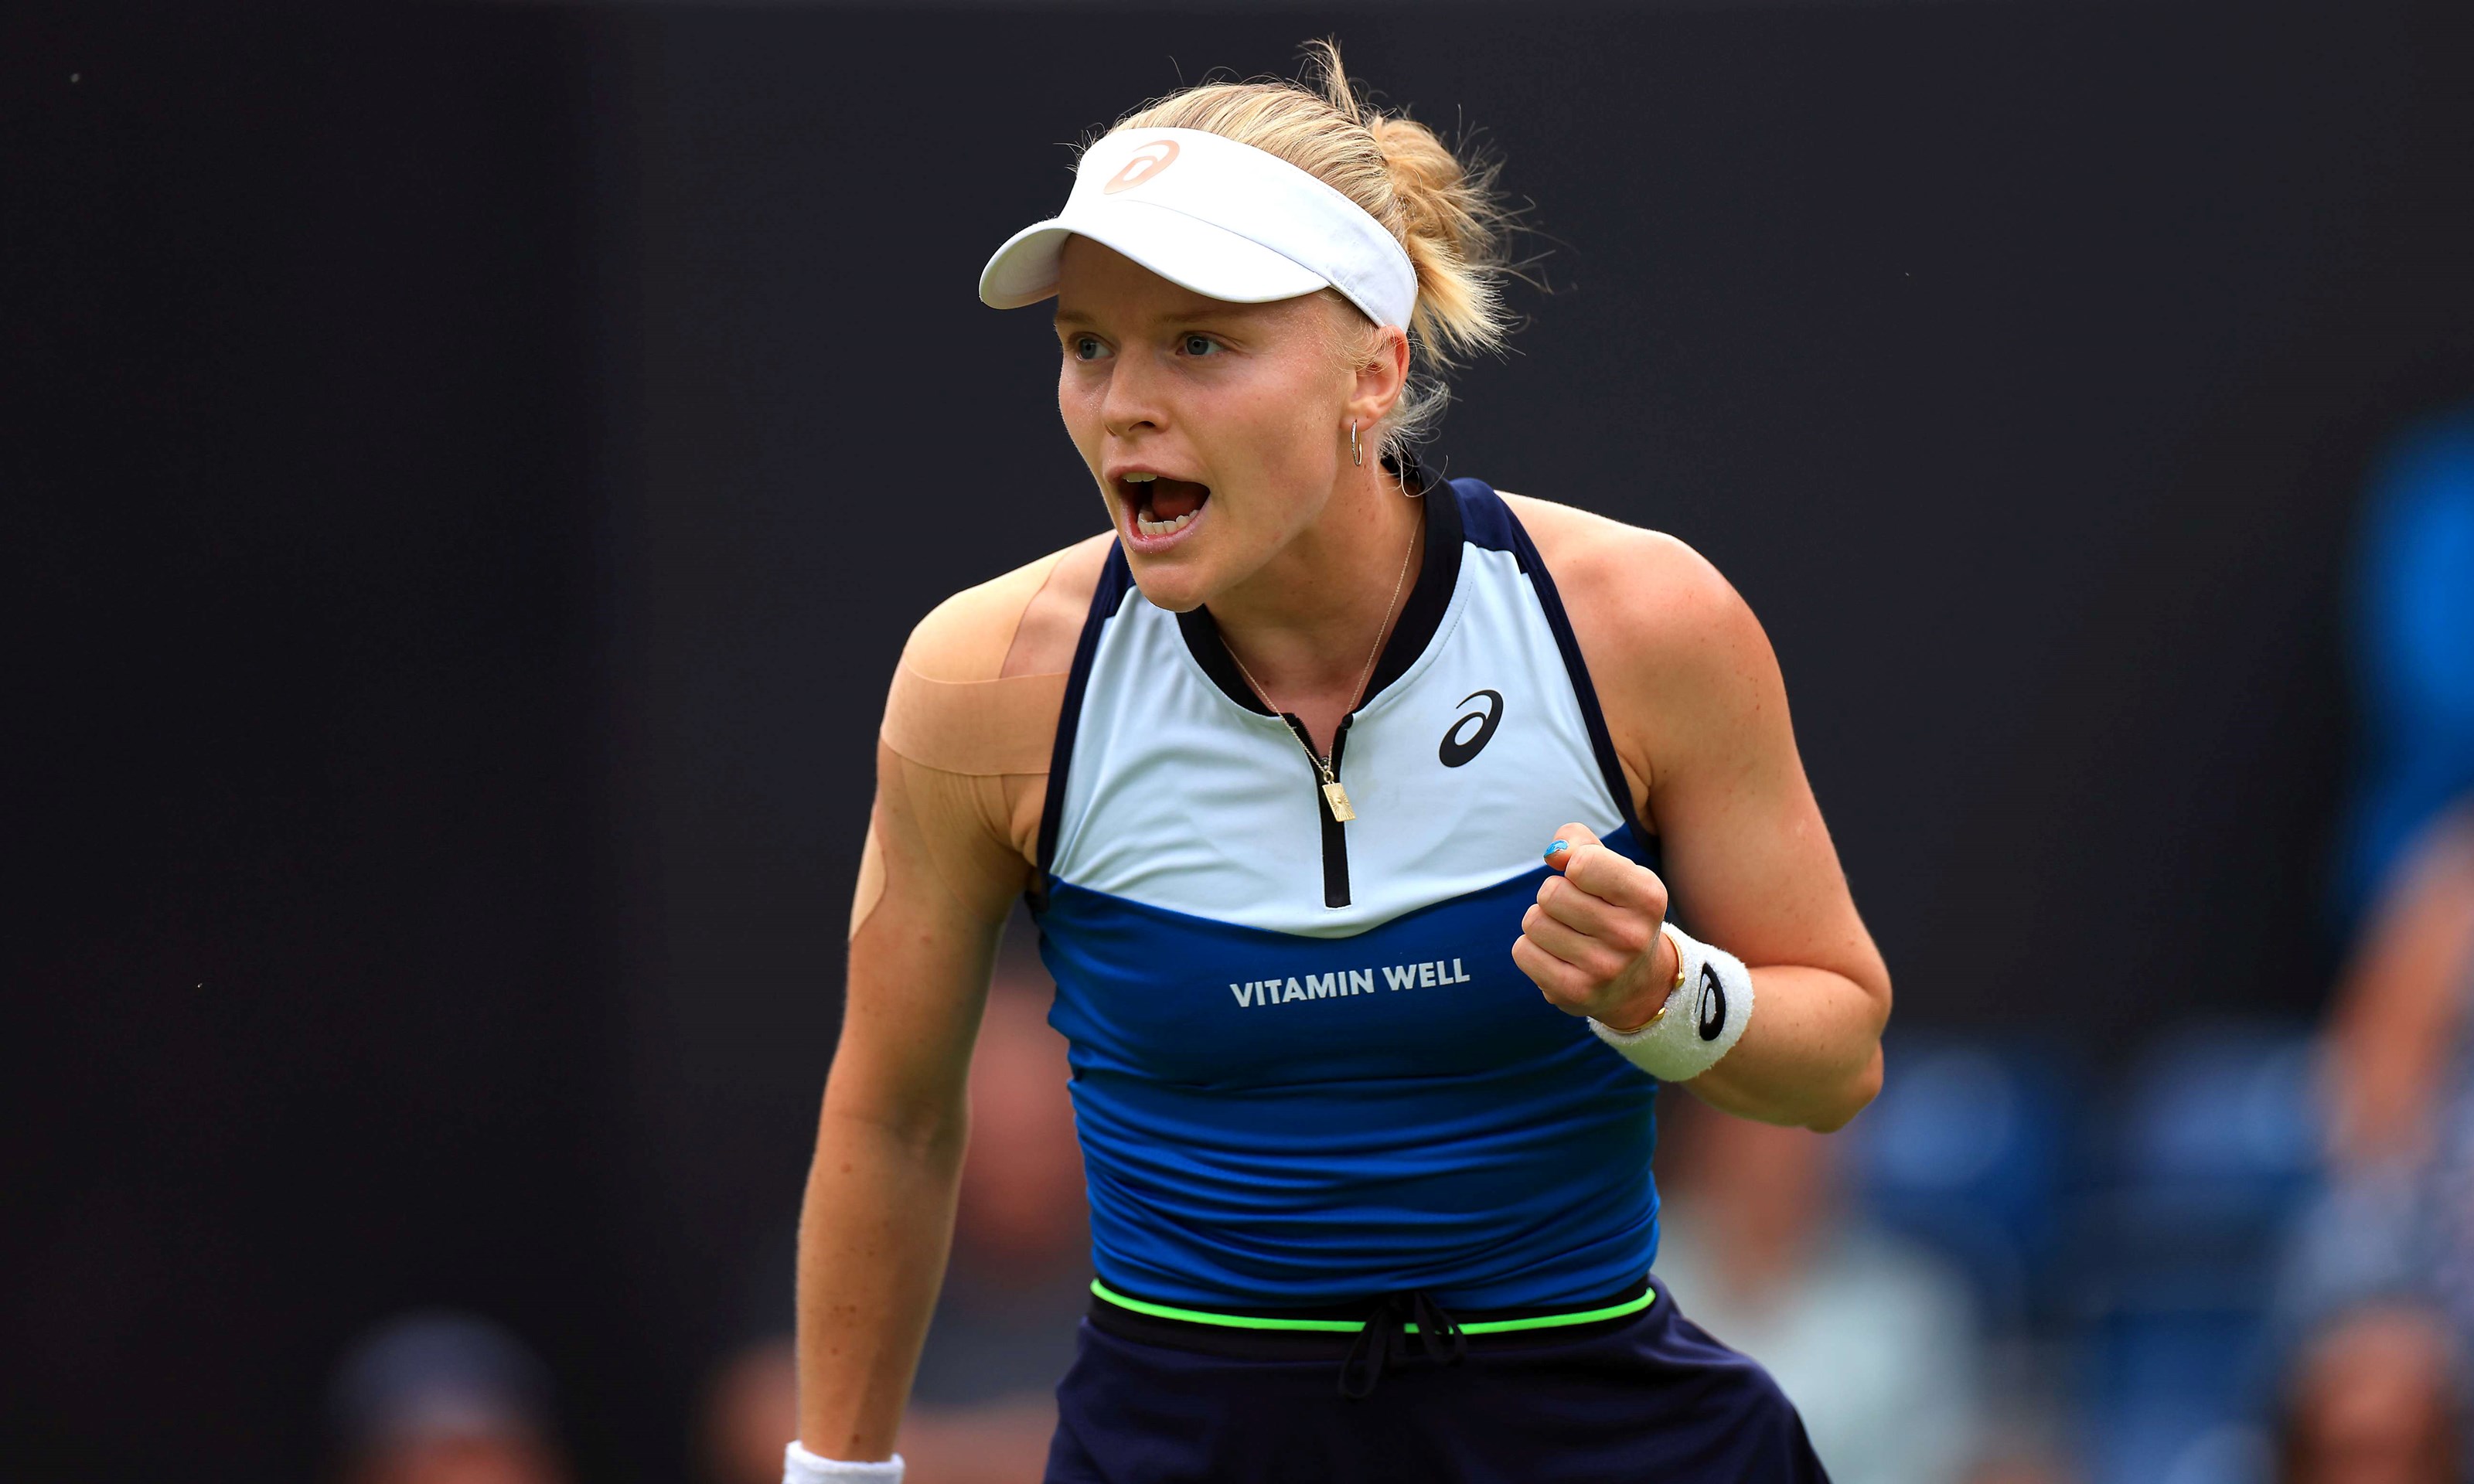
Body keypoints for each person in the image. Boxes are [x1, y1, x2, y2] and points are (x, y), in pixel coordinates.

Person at [788, 43, 1891, 1484]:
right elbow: (894, 1113)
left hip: (1601, 1431)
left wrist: (1664, 995)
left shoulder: (1640, 623)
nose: (1123, 401)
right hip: (1185, 1441)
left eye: (1198, 342)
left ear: (1375, 368)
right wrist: (838, 1479)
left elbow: (1839, 1059)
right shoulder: (984, 682)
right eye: (1087, 344)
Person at [1649, 1099, 1990, 1484]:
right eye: (1758, 1133)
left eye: (1809, 1135)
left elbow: (1943, 1462)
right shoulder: (1627, 1277)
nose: (1781, 1161)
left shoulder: (1912, 1304)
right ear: (1704, 1142)